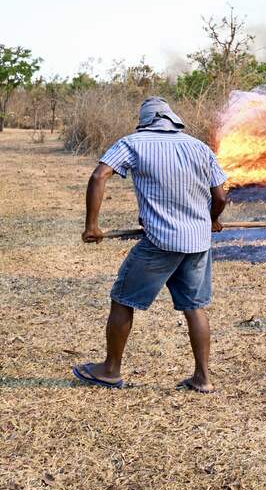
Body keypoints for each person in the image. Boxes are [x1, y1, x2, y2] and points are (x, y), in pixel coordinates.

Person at [74, 97, 228, 392]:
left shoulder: (133, 143)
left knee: (122, 299)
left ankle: (109, 370)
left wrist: (92, 225)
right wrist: (212, 219)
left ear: (144, 121)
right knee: (195, 307)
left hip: (160, 241)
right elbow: (220, 197)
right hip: (197, 242)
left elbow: (99, 175)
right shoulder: (199, 147)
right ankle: (203, 378)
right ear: (174, 120)